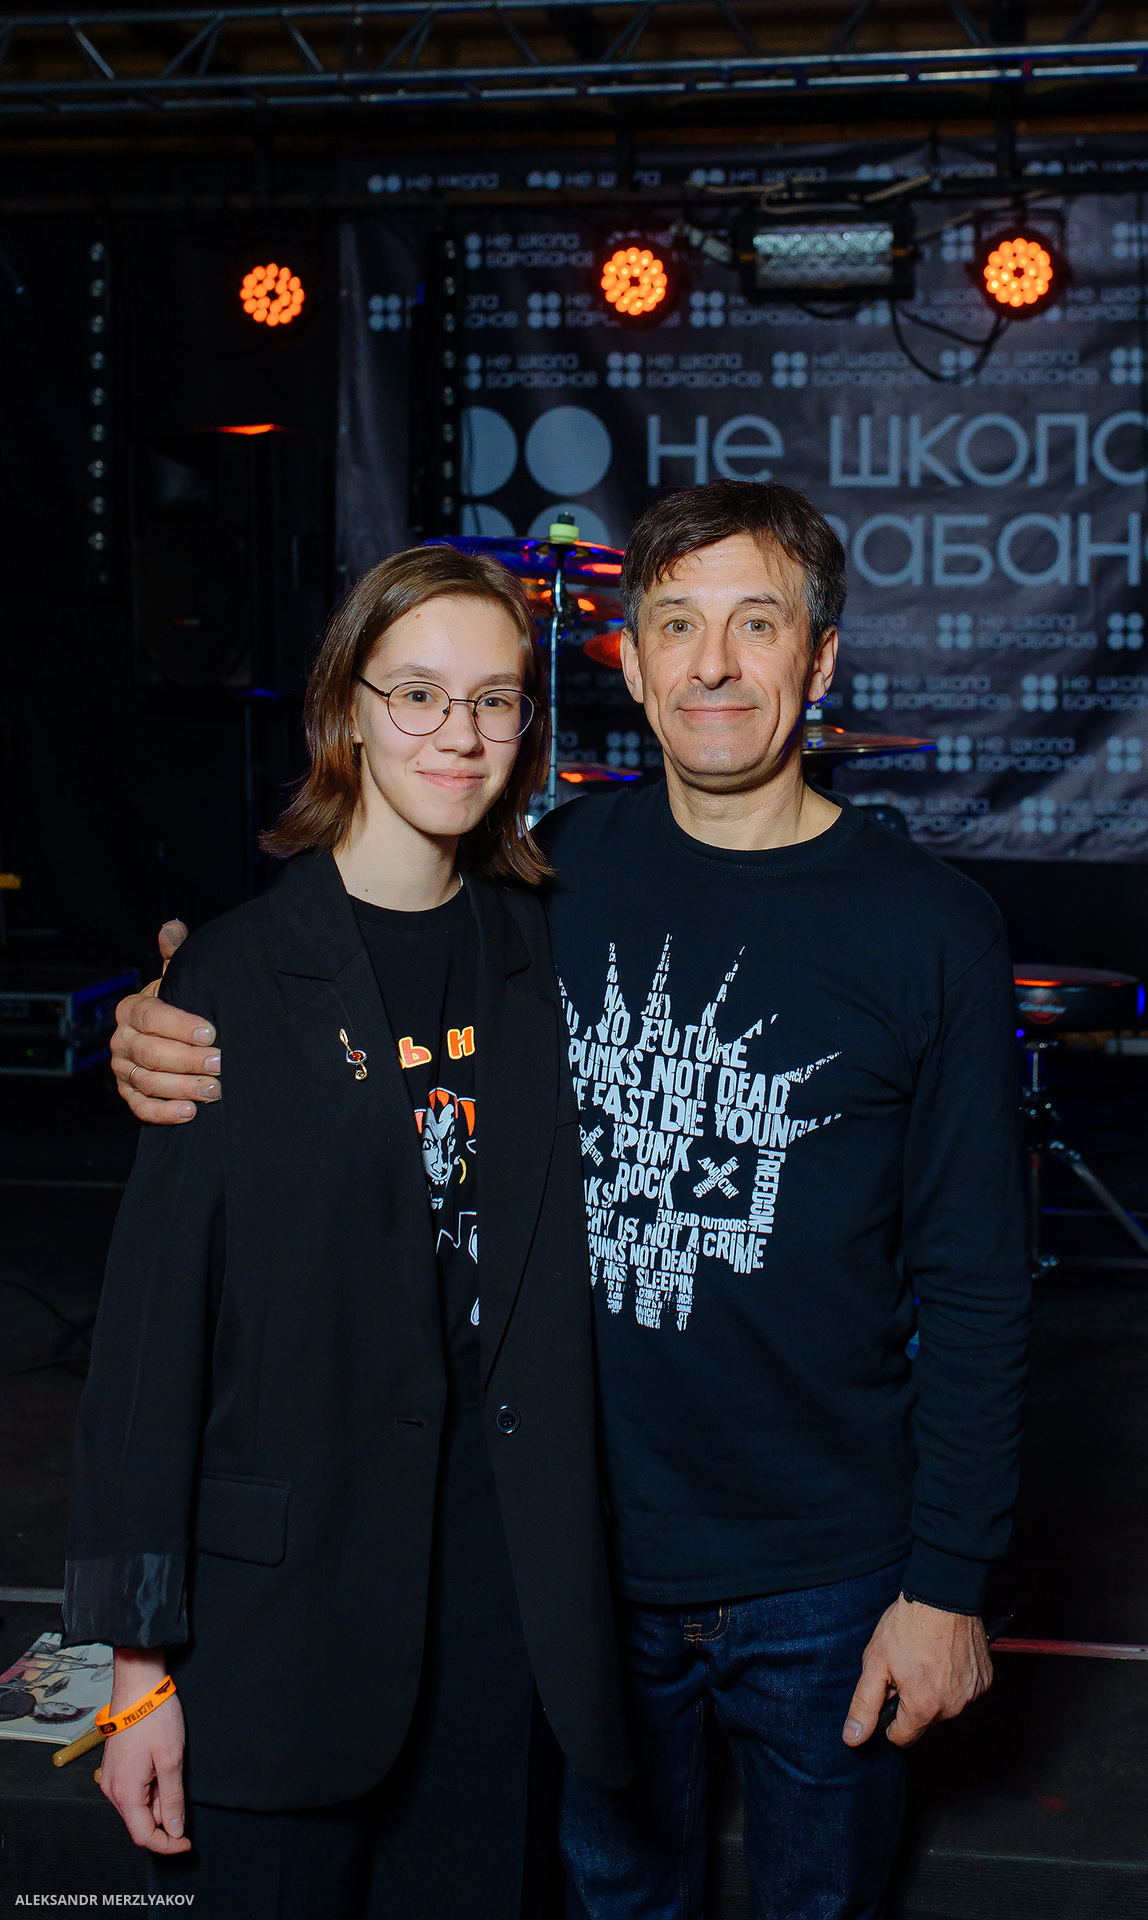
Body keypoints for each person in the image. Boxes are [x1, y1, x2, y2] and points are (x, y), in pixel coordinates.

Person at [111, 481, 1030, 1920]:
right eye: (675, 625)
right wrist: (174, 1006)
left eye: (756, 624)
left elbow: (978, 1282)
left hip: (826, 1572)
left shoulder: (932, 930)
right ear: (631, 665)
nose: (712, 664)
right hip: (573, 1562)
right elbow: (357, 949)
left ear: (821, 661)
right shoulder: (549, 879)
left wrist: (949, 1581)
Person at [67, 543, 628, 1920]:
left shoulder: (541, 949)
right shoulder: (235, 976)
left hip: (498, 1612)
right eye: (418, 694)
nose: (459, 735)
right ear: (350, 712)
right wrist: (133, 1672)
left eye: (493, 701)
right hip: (280, 1620)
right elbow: (149, 1346)